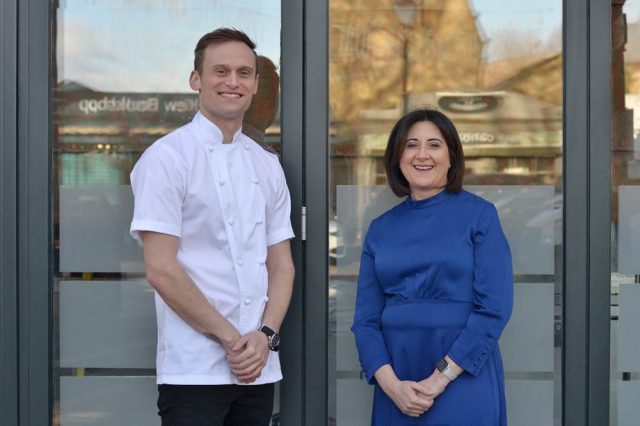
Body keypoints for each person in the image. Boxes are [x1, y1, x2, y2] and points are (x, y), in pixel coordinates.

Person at [129, 28, 295, 425]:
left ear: (255, 85)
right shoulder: (167, 158)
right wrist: (231, 338)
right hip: (193, 370)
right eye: (221, 71)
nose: (232, 82)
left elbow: (281, 265)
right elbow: (161, 269)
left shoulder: (267, 165)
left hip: (258, 367)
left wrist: (266, 335)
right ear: (196, 79)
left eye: (243, 73)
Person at [351, 108, 513, 425]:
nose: (422, 155)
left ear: (451, 157)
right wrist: (392, 386)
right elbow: (365, 322)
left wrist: (440, 378)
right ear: (397, 157)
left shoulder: (480, 215)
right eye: (411, 145)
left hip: (462, 373)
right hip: (396, 379)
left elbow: (495, 308)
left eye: (434, 145)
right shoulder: (380, 228)